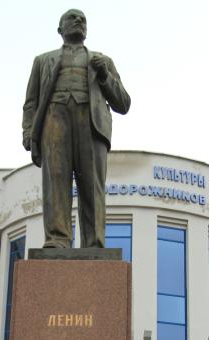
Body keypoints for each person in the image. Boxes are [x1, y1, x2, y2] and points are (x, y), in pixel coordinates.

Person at [22, 8, 131, 249]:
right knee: (56, 182)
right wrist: (28, 132)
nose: (79, 21)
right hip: (54, 120)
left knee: (92, 186)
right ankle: (57, 239)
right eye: (72, 18)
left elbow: (123, 103)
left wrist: (104, 75)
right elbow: (31, 102)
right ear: (60, 29)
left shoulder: (102, 61)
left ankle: (94, 242)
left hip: (91, 123)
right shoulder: (43, 60)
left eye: (83, 19)